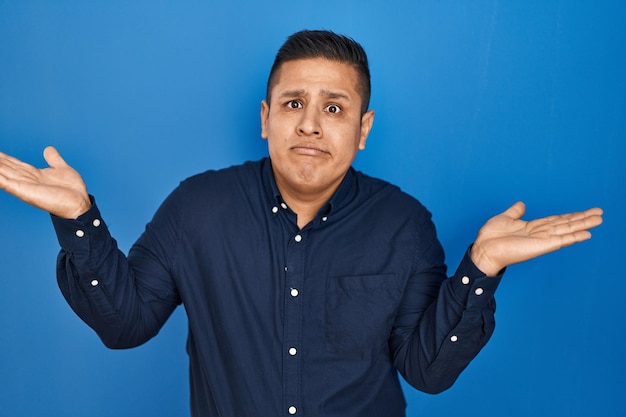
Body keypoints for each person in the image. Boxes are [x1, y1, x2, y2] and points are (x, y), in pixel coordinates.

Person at [0, 30, 602, 417]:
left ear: (363, 130)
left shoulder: (405, 224)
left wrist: (482, 268)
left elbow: (427, 371)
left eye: (334, 108)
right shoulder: (197, 207)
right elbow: (125, 323)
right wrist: (78, 220)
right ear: (266, 118)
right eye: (294, 104)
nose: (311, 125)